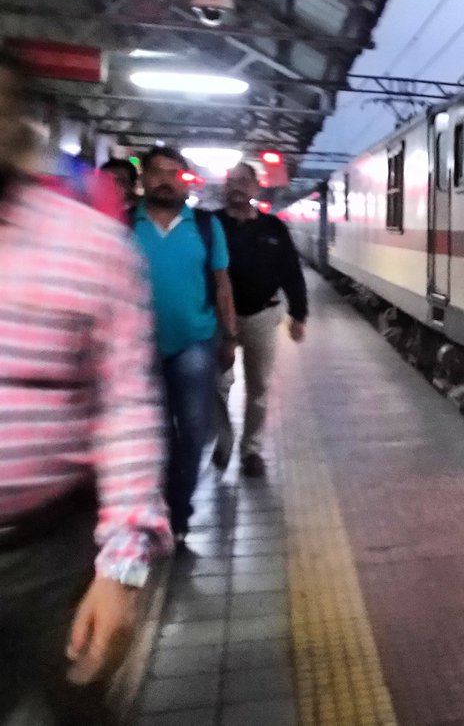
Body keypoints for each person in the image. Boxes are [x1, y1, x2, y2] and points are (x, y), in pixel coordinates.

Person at [0, 50, 171, 724]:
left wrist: (121, 567)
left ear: (18, 123)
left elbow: (124, 406)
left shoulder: (92, 247)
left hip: (54, 553)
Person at [130, 146, 237, 541]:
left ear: (184, 181)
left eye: (174, 173)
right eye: (157, 172)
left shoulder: (206, 226)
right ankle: (152, 507)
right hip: (135, 347)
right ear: (143, 178)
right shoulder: (126, 223)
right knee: (153, 433)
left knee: (192, 430)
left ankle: (178, 513)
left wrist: (229, 337)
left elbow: (223, 285)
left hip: (195, 340)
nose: (165, 180)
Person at [213, 162, 308, 476]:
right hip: (217, 318)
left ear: (256, 188)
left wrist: (299, 313)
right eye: (232, 180)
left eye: (244, 181)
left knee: (260, 387)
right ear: (225, 187)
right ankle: (223, 439)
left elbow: (291, 271)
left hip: (262, 315)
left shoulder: (273, 227)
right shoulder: (210, 225)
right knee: (219, 385)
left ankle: (251, 450)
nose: (237, 186)